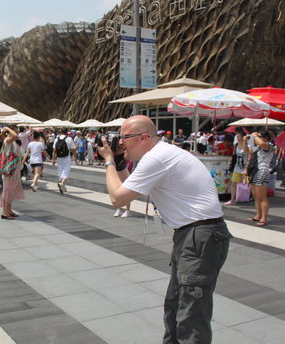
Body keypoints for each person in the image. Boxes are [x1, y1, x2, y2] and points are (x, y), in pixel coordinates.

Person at [98, 115, 231, 344]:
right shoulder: (161, 154)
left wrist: (109, 161)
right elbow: (128, 186)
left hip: (199, 237)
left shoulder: (158, 158)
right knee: (175, 306)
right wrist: (119, 162)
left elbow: (117, 198)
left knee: (190, 314)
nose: (120, 143)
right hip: (193, 236)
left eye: (124, 138)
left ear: (142, 138)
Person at [244, 129, 274, 226]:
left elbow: (261, 143)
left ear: (265, 138)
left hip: (262, 171)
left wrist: (255, 135)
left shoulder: (269, 145)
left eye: (260, 136)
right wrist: (245, 141)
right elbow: (247, 151)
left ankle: (263, 218)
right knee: (256, 195)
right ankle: (258, 215)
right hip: (254, 171)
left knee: (262, 196)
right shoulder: (257, 147)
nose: (257, 138)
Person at [0, 125, 24, 219]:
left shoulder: (12, 141)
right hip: (10, 169)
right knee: (7, 190)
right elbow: (14, 136)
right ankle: (5, 212)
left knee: (11, 190)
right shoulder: (7, 140)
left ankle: (9, 210)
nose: (17, 132)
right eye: (16, 130)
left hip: (15, 169)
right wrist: (8, 129)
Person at [224, 129, 248, 205]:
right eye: (237, 136)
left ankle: (245, 197)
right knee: (234, 182)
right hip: (237, 166)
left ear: (243, 137)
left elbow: (246, 151)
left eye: (239, 136)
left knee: (246, 183)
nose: (237, 138)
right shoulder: (236, 145)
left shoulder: (247, 145)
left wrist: (244, 141)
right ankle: (232, 199)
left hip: (245, 167)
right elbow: (234, 154)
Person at [52, 128, 76, 194]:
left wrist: (53, 159)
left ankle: (62, 186)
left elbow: (54, 150)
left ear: (60, 131)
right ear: (67, 132)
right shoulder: (69, 139)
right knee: (66, 171)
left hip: (59, 158)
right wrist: (75, 158)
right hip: (66, 158)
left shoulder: (57, 139)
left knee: (60, 171)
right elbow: (73, 150)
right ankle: (62, 183)